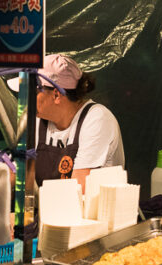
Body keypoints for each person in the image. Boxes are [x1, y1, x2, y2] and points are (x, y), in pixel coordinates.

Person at [34, 54, 125, 189]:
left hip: (87, 209)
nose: (26, 97)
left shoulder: (97, 119)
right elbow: (17, 172)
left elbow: (79, 188)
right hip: (48, 209)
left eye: (33, 91)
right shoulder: (39, 120)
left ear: (56, 95)